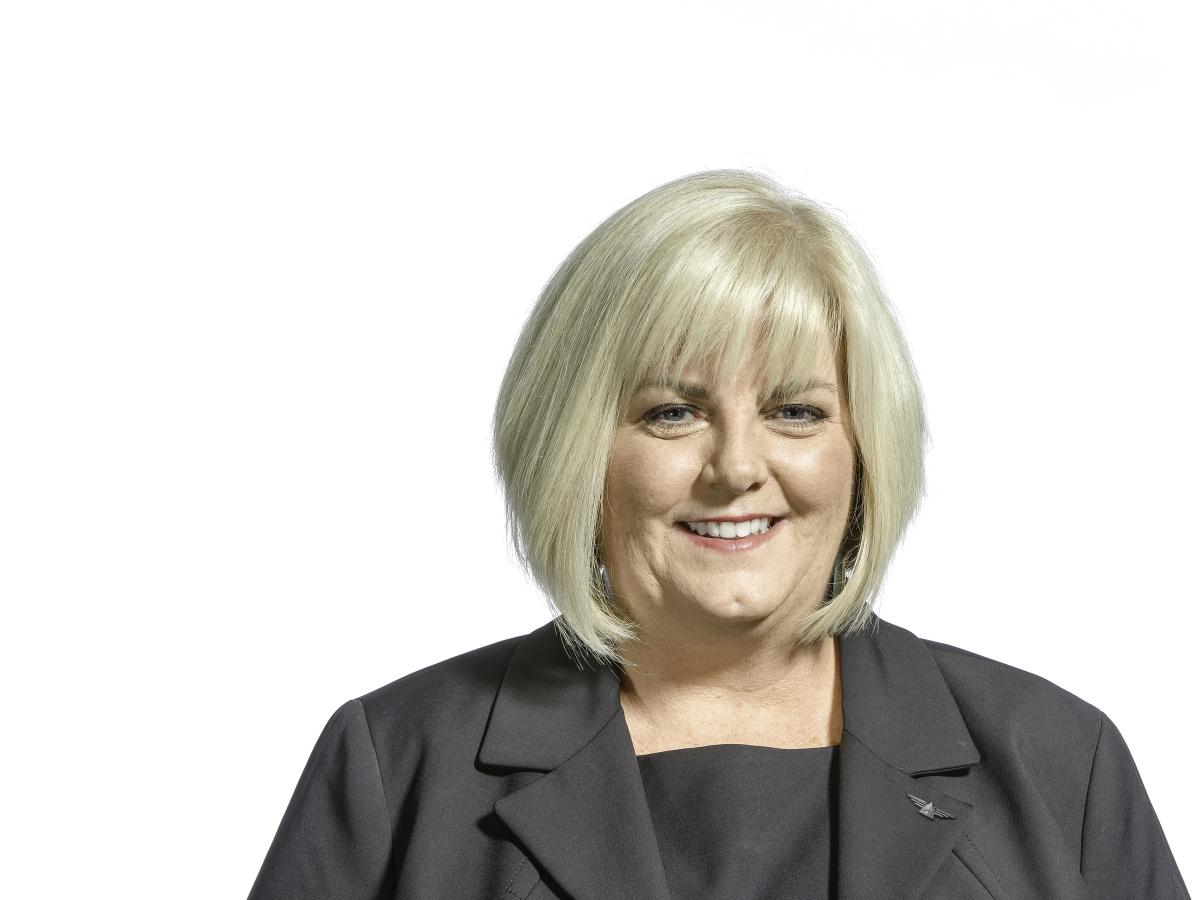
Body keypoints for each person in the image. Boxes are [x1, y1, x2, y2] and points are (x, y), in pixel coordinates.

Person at [246, 170, 1190, 899]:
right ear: (574, 448)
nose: (737, 467)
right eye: (672, 413)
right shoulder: (395, 765)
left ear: (864, 449)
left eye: (795, 411)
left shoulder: (1059, 763)